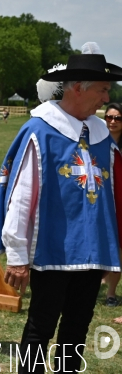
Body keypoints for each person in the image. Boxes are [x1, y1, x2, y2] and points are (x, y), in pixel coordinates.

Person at [0, 42, 122, 374]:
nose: (106, 99)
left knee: (77, 329)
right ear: (77, 88)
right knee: (41, 327)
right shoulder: (41, 131)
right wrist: (17, 256)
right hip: (52, 250)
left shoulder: (101, 135)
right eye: (103, 90)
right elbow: (22, 196)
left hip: (92, 252)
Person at [102, 103, 122, 308]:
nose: (113, 122)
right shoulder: (96, 140)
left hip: (121, 200)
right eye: (109, 117)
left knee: (118, 249)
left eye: (118, 118)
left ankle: (110, 293)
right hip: (101, 198)